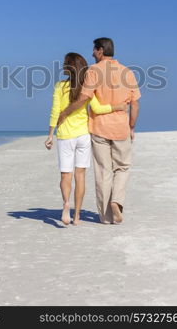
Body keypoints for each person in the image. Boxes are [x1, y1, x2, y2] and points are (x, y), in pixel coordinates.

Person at [57, 38, 141, 224]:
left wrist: (64, 113)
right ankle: (117, 201)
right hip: (121, 128)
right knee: (122, 167)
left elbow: (84, 97)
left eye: (94, 51)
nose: (92, 54)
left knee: (103, 171)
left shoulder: (93, 71)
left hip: (99, 129)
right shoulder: (127, 72)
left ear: (101, 50)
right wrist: (132, 126)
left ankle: (105, 216)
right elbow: (135, 103)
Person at [44, 52, 128, 226]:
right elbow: (97, 108)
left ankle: (66, 204)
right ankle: (77, 217)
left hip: (65, 136)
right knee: (80, 176)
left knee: (66, 175)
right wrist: (117, 106)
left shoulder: (60, 86)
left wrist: (50, 134)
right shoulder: (86, 86)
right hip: (83, 135)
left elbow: (55, 111)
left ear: (68, 68)